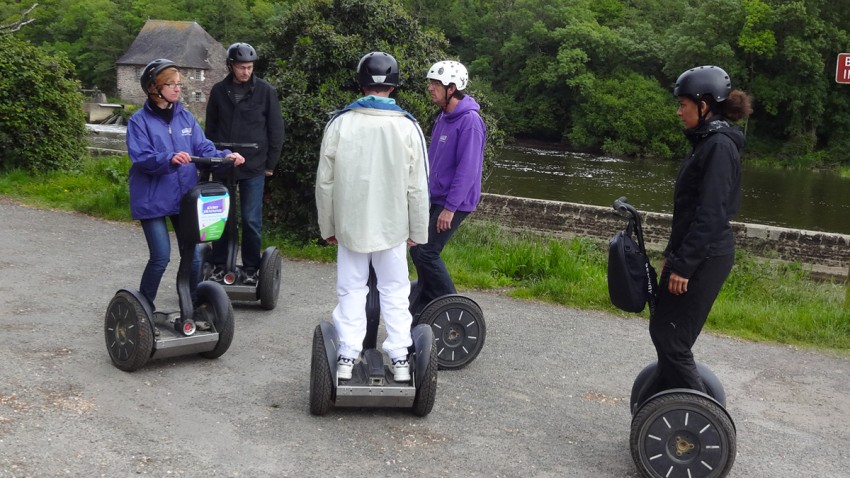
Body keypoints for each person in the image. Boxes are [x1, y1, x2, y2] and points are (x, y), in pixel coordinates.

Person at [315, 52, 430, 382]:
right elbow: (418, 185)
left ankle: (347, 355)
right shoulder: (408, 127)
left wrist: (329, 225)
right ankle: (400, 358)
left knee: (351, 289)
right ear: (393, 87)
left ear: (361, 82)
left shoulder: (340, 122)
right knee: (395, 291)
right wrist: (417, 230)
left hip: (351, 225)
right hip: (392, 227)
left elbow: (325, 182)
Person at [650, 65, 753, 394]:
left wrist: (686, 265)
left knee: (674, 341)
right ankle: (664, 401)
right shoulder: (706, 142)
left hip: (708, 257)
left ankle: (698, 418)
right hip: (693, 254)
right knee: (663, 331)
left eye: (683, 104)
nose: (679, 112)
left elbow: (711, 214)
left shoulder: (719, 147)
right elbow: (688, 212)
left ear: (704, 106)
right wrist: (672, 256)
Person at [127, 58, 245, 310]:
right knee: (160, 257)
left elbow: (203, 148)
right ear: (153, 88)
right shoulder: (139, 122)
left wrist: (225, 156)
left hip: (184, 198)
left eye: (179, 84)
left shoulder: (186, 117)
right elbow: (142, 157)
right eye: (170, 84)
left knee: (193, 257)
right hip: (153, 199)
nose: (178, 88)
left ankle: (191, 307)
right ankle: (142, 309)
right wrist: (168, 158)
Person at [409, 60, 486, 313]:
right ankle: (427, 301)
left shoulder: (470, 121)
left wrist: (450, 208)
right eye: (430, 82)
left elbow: (468, 169)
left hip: (455, 202)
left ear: (452, 88)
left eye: (435, 84)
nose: (430, 88)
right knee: (417, 249)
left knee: (427, 252)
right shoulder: (443, 116)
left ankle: (454, 310)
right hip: (437, 197)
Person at [205, 42, 285, 286]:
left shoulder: (265, 91)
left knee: (251, 220)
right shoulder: (219, 91)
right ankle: (219, 264)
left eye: (249, 67)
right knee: (221, 218)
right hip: (223, 164)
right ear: (231, 66)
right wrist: (211, 160)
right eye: (241, 67)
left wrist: (270, 164)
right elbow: (210, 129)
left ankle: (251, 267)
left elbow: (276, 130)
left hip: (254, 166)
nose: (246, 72)